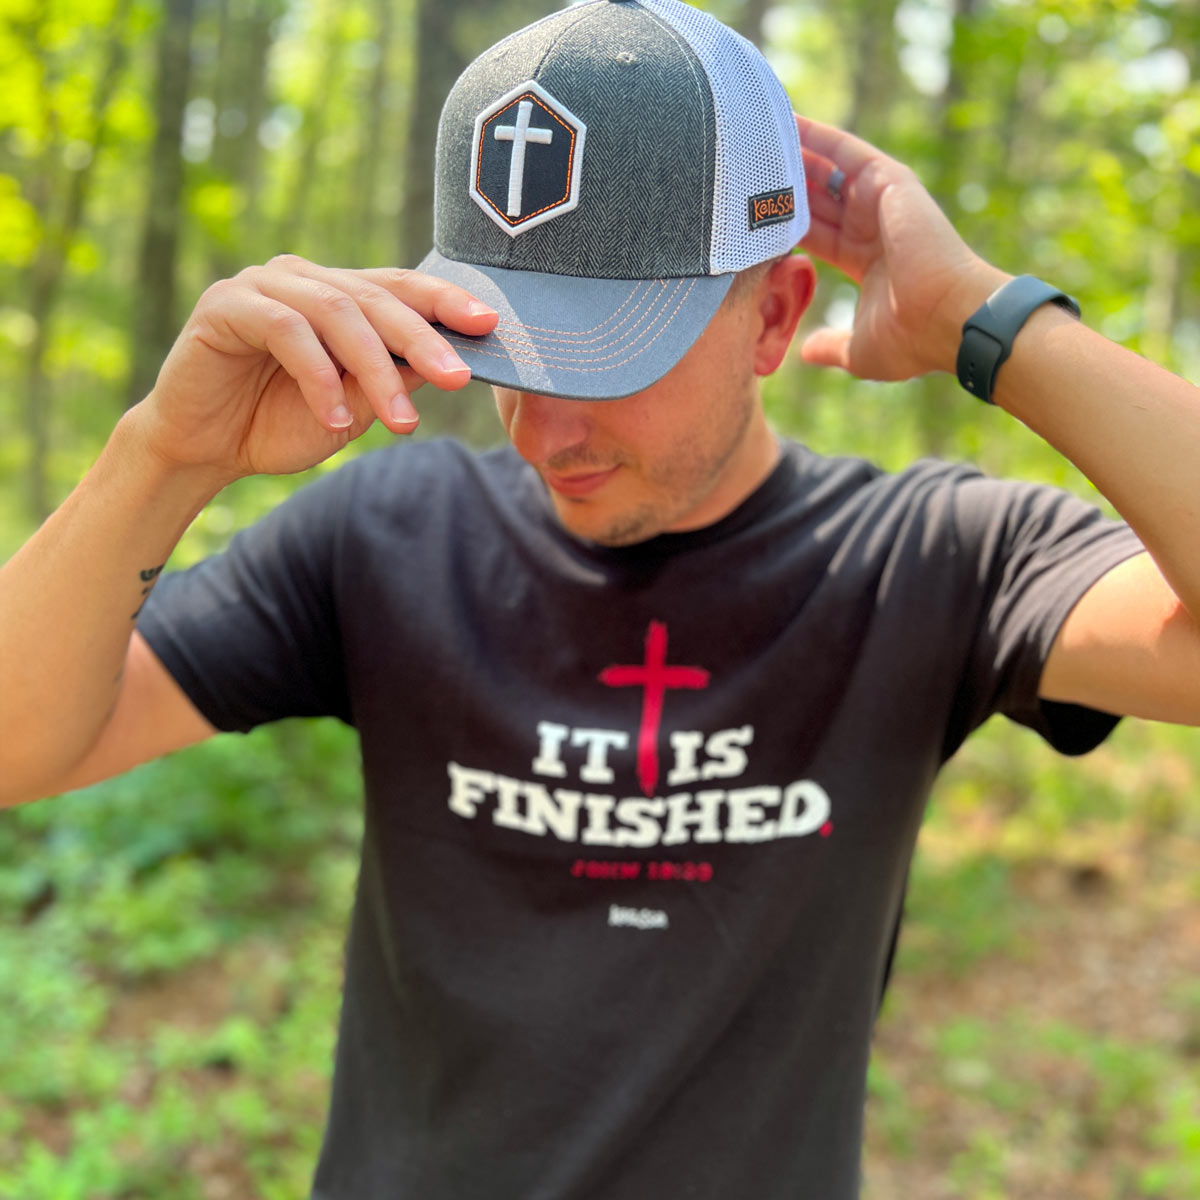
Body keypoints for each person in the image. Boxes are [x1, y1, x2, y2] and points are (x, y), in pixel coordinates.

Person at [2, 0, 1197, 1196]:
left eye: (612, 359)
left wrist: (984, 322)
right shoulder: (390, 535)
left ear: (774, 315)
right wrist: (165, 456)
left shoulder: (925, 560)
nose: (543, 433)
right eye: (510, 351)